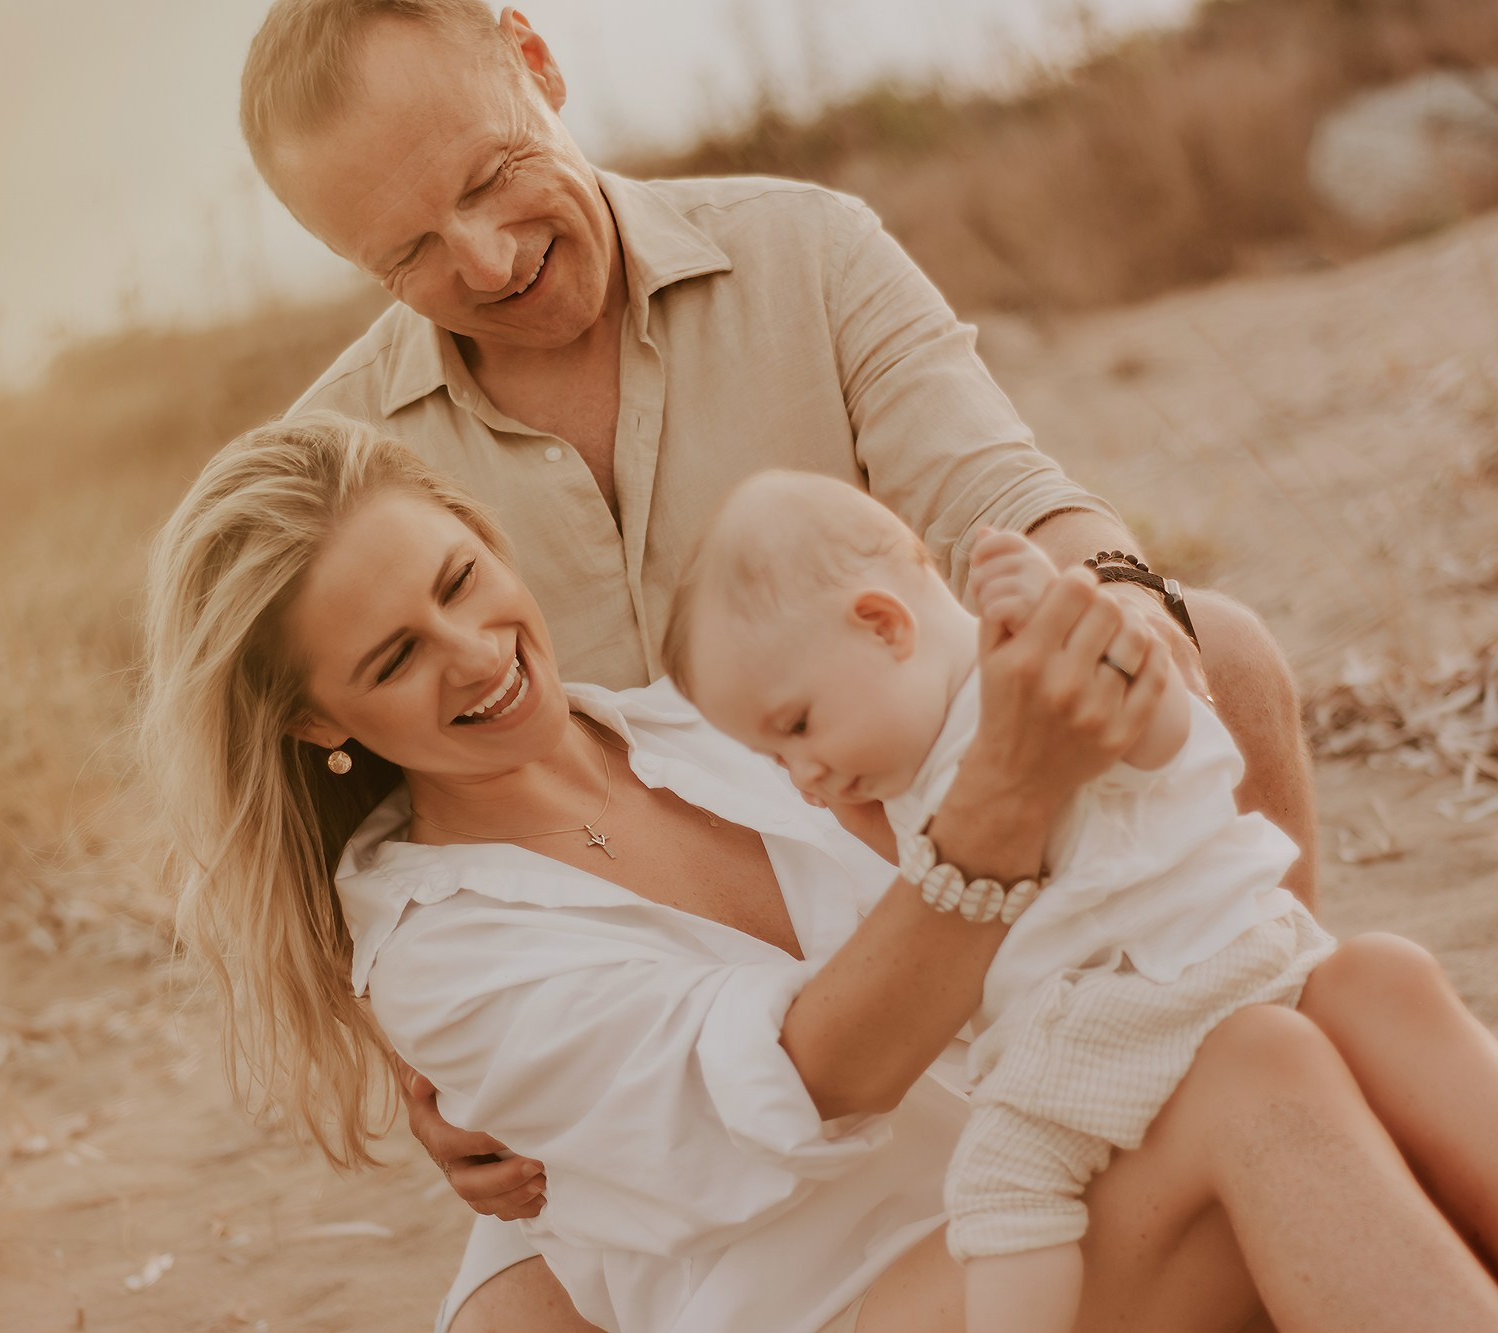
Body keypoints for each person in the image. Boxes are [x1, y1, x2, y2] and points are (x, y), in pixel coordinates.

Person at [140, 411, 1498, 1333]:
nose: (475, 652)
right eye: (397, 658)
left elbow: (949, 722)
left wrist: (1043, 649)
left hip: (1034, 1196)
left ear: (486, 536)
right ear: (317, 721)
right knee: (1258, 1072)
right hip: (855, 1299)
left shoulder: (688, 725)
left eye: (462, 580)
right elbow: (806, 1078)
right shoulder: (439, 948)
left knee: (1371, 983)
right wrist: (1004, 801)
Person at [235, 7, 1320, 1319]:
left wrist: (1120, 610)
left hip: (905, 867)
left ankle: (1280, 1068)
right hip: (658, 1046)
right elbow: (343, 826)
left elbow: (998, 492)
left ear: (534, 61)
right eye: (406, 251)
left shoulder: (804, 248)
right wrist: (430, 1058)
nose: (486, 256)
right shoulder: (346, 470)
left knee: (1221, 651)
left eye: (489, 175)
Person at [664, 471, 1341, 1333]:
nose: (805, 775)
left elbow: (1177, 742)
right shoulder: (931, 753)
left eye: (797, 726)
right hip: (1175, 973)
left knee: (1001, 1187)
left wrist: (1082, 625)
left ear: (884, 625)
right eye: (776, 759)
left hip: (1148, 991)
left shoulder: (1015, 691)